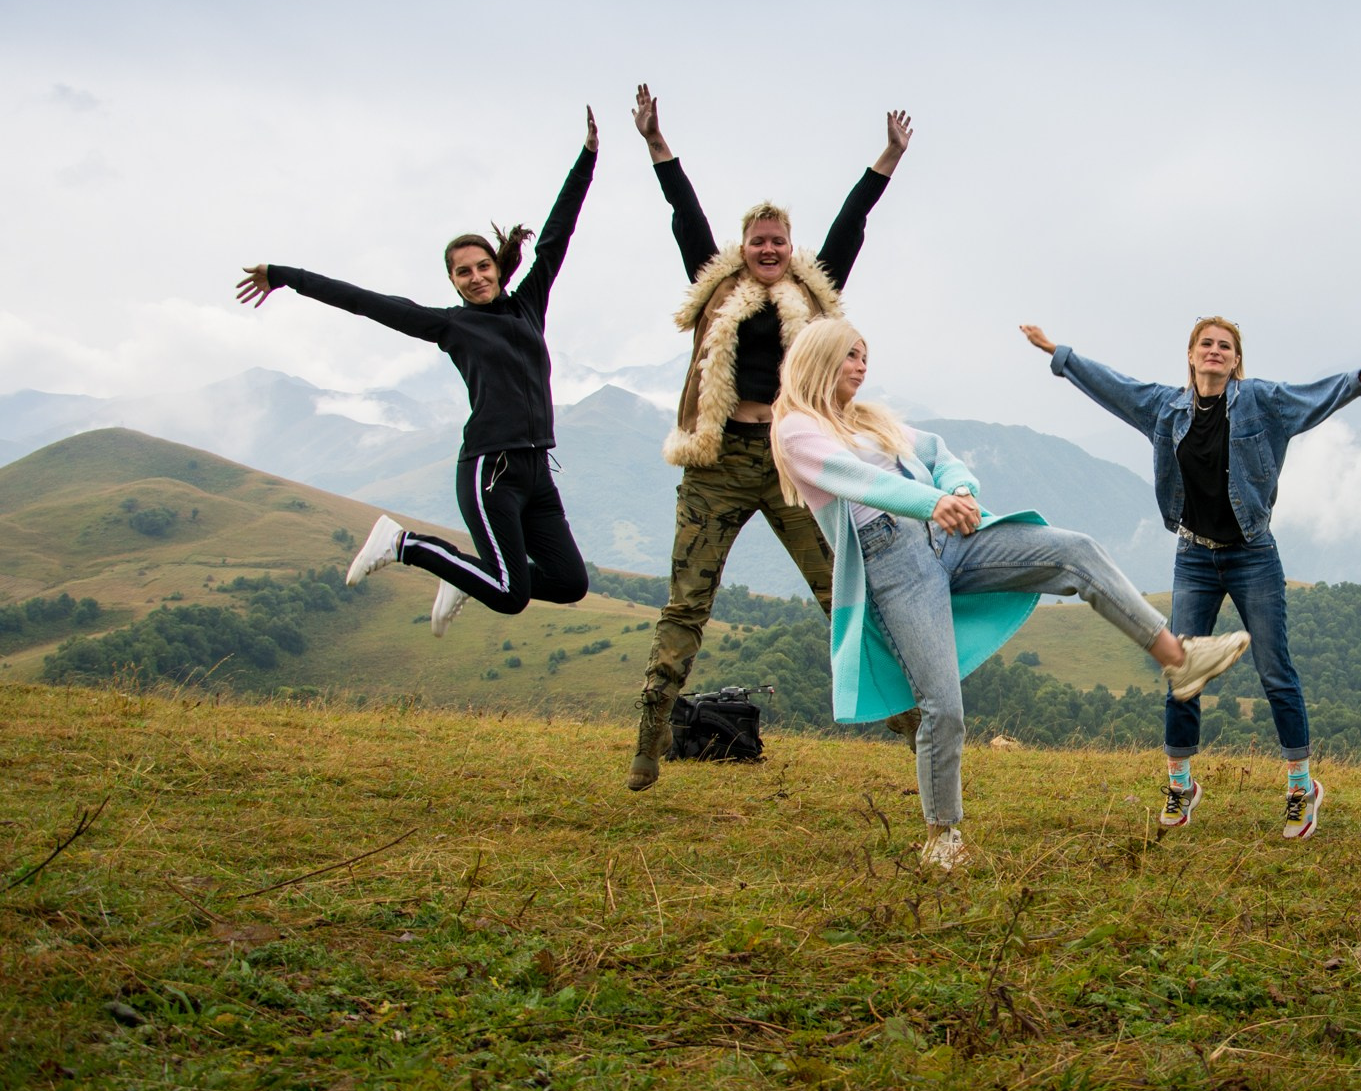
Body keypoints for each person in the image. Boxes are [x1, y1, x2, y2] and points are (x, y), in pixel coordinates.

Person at [772, 319, 1251, 870]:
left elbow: (939, 452)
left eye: (865, 356)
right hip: (892, 559)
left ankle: (1178, 657)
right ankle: (943, 836)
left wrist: (956, 488)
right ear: (819, 357)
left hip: (948, 536)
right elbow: (857, 480)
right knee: (942, 707)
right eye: (851, 355)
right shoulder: (797, 429)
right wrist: (931, 502)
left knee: (1075, 550)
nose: (861, 366)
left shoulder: (870, 420)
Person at [625, 85, 912, 792]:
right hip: (717, 462)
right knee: (688, 600)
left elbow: (851, 224)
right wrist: (658, 146)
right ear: (742, 248)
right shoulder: (714, 287)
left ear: (790, 249)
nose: (767, 250)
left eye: (778, 241)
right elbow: (682, 215)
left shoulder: (813, 296)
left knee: (836, 587)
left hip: (792, 461)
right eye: (757, 241)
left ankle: (911, 719)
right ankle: (652, 727)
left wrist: (888, 158)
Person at [1020, 318, 1361, 840]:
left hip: (1252, 555)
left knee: (1275, 671)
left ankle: (1301, 788)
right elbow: (1114, 387)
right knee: (1182, 671)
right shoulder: (1165, 408)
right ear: (1192, 357)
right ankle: (1180, 786)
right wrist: (1059, 354)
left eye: (1225, 346)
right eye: (1206, 345)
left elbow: (1311, 399)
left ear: (1236, 360)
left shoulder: (1261, 402)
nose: (1215, 352)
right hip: (1193, 555)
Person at [235, 109, 599, 630]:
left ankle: (462, 575)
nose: (475, 278)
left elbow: (557, 235)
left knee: (569, 583)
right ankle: (402, 543)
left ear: (497, 266)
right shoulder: (451, 326)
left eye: (482, 267)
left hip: (538, 471)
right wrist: (284, 275)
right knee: (509, 594)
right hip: (490, 472)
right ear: (452, 282)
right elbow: (362, 301)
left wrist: (586, 158)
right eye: (462, 273)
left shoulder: (527, 306)